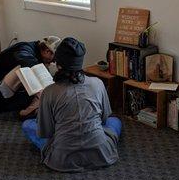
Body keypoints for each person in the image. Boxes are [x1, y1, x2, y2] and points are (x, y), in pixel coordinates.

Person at [22, 37, 121, 172]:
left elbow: (47, 132)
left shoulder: (49, 92)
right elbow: (103, 120)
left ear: (58, 64)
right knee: (114, 121)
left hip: (62, 159)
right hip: (101, 154)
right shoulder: (97, 83)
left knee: (28, 125)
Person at [0, 36, 61, 116]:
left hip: (10, 96)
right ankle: (27, 111)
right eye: (53, 59)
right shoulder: (24, 48)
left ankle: (36, 106)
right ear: (47, 51)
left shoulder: (37, 52)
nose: (52, 62)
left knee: (39, 71)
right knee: (23, 68)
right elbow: (25, 59)